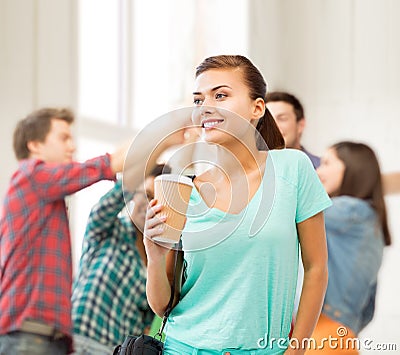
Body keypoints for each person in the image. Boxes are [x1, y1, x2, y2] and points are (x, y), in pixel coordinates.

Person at [144, 55, 332, 354]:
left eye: (221, 95)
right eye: (198, 99)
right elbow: (162, 304)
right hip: (183, 347)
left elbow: (317, 266)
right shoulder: (187, 191)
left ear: (257, 108)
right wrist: (154, 256)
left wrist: (297, 349)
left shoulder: (292, 169)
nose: (205, 106)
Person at [0, 107, 188, 354]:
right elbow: (111, 165)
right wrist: (165, 135)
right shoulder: (32, 176)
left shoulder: (159, 256)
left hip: (66, 341)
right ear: (34, 145)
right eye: (63, 138)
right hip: (38, 336)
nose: (72, 147)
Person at [71, 163, 171, 354]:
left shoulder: (158, 262)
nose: (152, 206)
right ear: (133, 194)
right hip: (78, 341)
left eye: (159, 201)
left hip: (115, 350)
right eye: (148, 194)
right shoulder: (109, 230)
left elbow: (149, 320)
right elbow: (104, 207)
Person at [306, 141, 391, 354]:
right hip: (342, 336)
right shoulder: (370, 221)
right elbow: (368, 308)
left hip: (322, 333)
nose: (319, 170)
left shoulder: (350, 211)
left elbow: (298, 212)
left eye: (326, 163)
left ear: (352, 168)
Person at [265, 91, 320, 169]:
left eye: (282, 119)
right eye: (268, 120)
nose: (273, 126)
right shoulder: (248, 172)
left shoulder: (321, 169)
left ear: (300, 125)